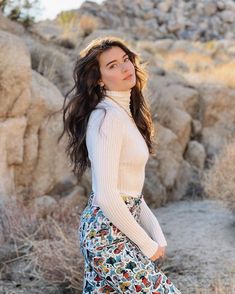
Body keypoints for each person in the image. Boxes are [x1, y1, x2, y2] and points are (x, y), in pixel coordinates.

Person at [59, 36, 182, 293]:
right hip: (106, 237)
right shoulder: (107, 117)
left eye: (126, 60)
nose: (125, 68)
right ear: (99, 79)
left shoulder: (124, 114)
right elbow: (106, 196)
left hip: (115, 229)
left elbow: (131, 193)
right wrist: (147, 244)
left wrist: (156, 234)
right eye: (112, 65)